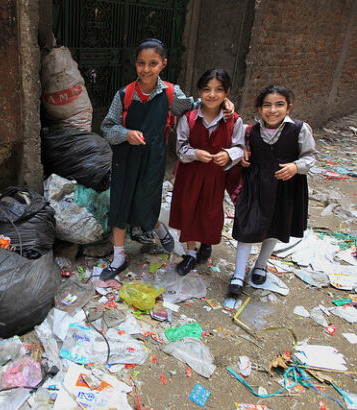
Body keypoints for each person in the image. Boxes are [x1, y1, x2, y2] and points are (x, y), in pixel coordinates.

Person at [99, 38, 234, 281]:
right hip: (125, 157)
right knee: (119, 204)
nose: (146, 69)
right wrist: (125, 134)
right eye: (141, 63)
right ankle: (119, 257)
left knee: (147, 202)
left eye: (153, 63)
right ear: (136, 64)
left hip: (153, 159)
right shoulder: (124, 95)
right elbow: (107, 126)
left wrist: (224, 103)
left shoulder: (172, 94)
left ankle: (161, 233)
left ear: (163, 64)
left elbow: (197, 106)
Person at [228, 84, 316, 294]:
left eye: (279, 105)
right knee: (246, 227)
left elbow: (310, 156)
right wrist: (242, 155)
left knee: (275, 227)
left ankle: (260, 265)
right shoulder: (250, 131)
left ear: (289, 107)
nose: (272, 110)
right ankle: (238, 274)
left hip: (284, 187)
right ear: (259, 108)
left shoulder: (299, 129)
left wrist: (296, 166)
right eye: (267, 105)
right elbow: (238, 148)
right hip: (255, 185)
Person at [169, 68, 245, 275]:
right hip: (190, 175)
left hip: (215, 177)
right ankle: (191, 254)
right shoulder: (189, 118)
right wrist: (195, 154)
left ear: (227, 92)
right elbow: (181, 148)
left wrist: (229, 155)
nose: (212, 95)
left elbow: (240, 147)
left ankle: (207, 242)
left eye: (218, 90)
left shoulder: (234, 120)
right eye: (207, 89)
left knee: (210, 213)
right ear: (199, 92)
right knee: (189, 211)